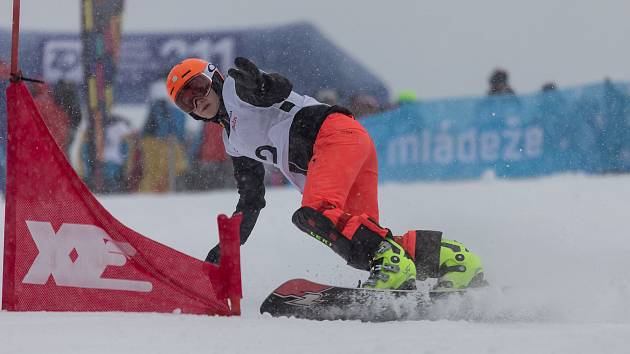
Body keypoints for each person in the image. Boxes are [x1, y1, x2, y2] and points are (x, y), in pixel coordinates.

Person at [165, 57, 485, 290]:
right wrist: (228, 246)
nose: (197, 100)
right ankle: (452, 259)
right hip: (347, 144)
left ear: (214, 77)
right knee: (363, 243)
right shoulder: (231, 142)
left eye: (198, 87)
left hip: (331, 136)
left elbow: (275, 89)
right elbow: (250, 200)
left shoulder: (237, 90)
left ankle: (393, 268)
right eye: (185, 101)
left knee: (315, 214)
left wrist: (262, 84)